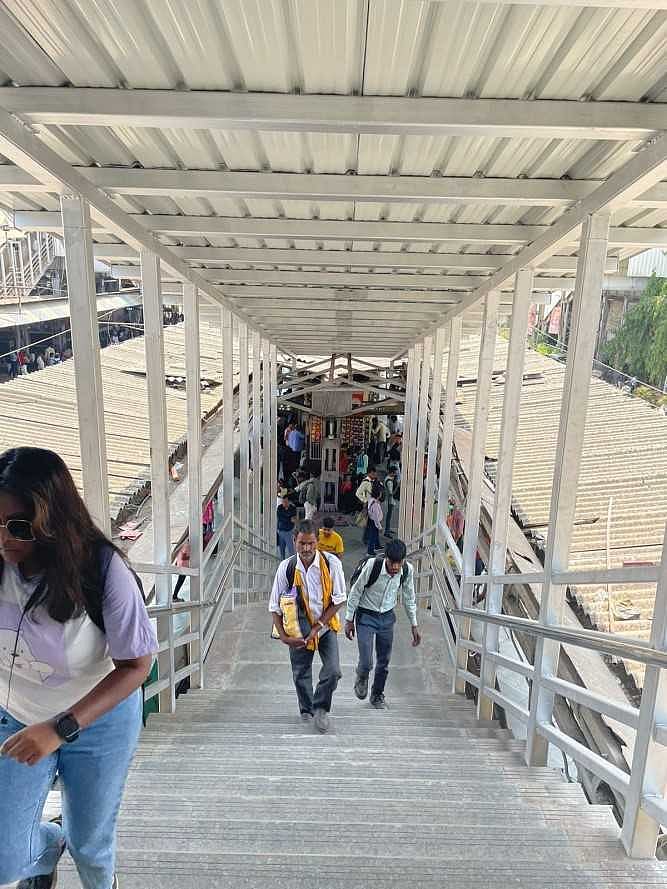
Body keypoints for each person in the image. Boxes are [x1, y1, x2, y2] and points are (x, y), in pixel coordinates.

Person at [0, 447, 157, 889]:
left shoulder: (101, 570)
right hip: (14, 715)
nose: (3, 538)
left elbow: (137, 665)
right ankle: (50, 845)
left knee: (90, 844)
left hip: (99, 722)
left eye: (17, 526)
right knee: (5, 860)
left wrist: (60, 727)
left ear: (51, 521)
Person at [269, 520, 346, 734]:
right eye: (302, 543)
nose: (306, 548)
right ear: (294, 541)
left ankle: (320, 706)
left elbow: (339, 599)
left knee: (333, 671)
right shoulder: (286, 568)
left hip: (325, 624)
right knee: (301, 670)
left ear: (317, 542)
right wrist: (284, 636)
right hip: (299, 625)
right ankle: (306, 709)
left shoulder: (331, 564)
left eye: (311, 543)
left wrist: (318, 626)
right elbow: (274, 606)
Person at [344, 538, 421, 709]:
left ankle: (377, 695)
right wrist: (349, 619)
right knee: (366, 661)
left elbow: (409, 597)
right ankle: (362, 675)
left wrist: (414, 625)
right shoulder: (373, 566)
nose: (395, 567)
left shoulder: (407, 570)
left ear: (403, 560)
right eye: (392, 562)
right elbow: (356, 591)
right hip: (366, 616)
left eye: (399, 563)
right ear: (386, 557)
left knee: (384, 661)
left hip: (387, 618)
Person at [366, 480, 383, 556]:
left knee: (374, 535)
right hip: (374, 521)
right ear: (378, 494)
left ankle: (376, 546)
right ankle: (370, 551)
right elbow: (376, 517)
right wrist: (380, 527)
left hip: (371, 519)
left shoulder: (371, 500)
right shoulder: (375, 504)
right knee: (372, 536)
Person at [276, 494, 297, 559]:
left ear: (289, 502)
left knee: (291, 549)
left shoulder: (292, 508)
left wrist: (287, 517)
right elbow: (280, 518)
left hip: (289, 531)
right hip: (281, 530)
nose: (284, 503)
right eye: (283, 502)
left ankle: (292, 561)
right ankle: (282, 560)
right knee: (281, 549)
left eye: (286, 502)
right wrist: (289, 517)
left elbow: (294, 519)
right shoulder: (280, 507)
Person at [383, 467, 399, 538]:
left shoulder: (387, 478)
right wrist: (397, 486)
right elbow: (391, 493)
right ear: (392, 472)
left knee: (389, 516)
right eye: (394, 473)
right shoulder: (389, 481)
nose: (395, 474)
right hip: (390, 501)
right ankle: (387, 531)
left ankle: (388, 529)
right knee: (389, 517)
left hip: (388, 500)